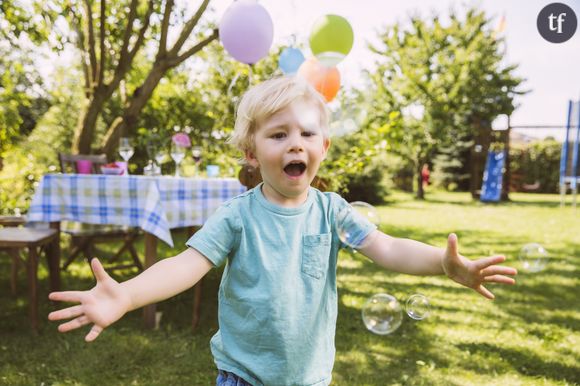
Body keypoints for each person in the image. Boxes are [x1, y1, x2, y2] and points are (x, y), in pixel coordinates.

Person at [48, 76, 517, 386]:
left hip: (310, 377)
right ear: (251, 153)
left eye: (307, 134)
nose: (295, 142)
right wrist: (126, 295)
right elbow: (185, 266)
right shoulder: (237, 216)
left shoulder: (332, 212)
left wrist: (442, 262)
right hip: (243, 375)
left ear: (324, 147)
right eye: (278, 134)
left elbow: (388, 248)